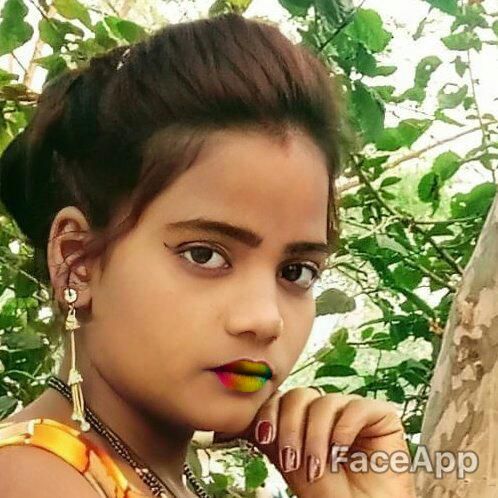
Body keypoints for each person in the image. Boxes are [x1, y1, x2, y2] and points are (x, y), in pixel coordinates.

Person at [0, 12, 417, 498]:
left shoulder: (150, 478)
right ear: (77, 262)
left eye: (296, 272)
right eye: (204, 255)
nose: (265, 320)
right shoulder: (31, 478)